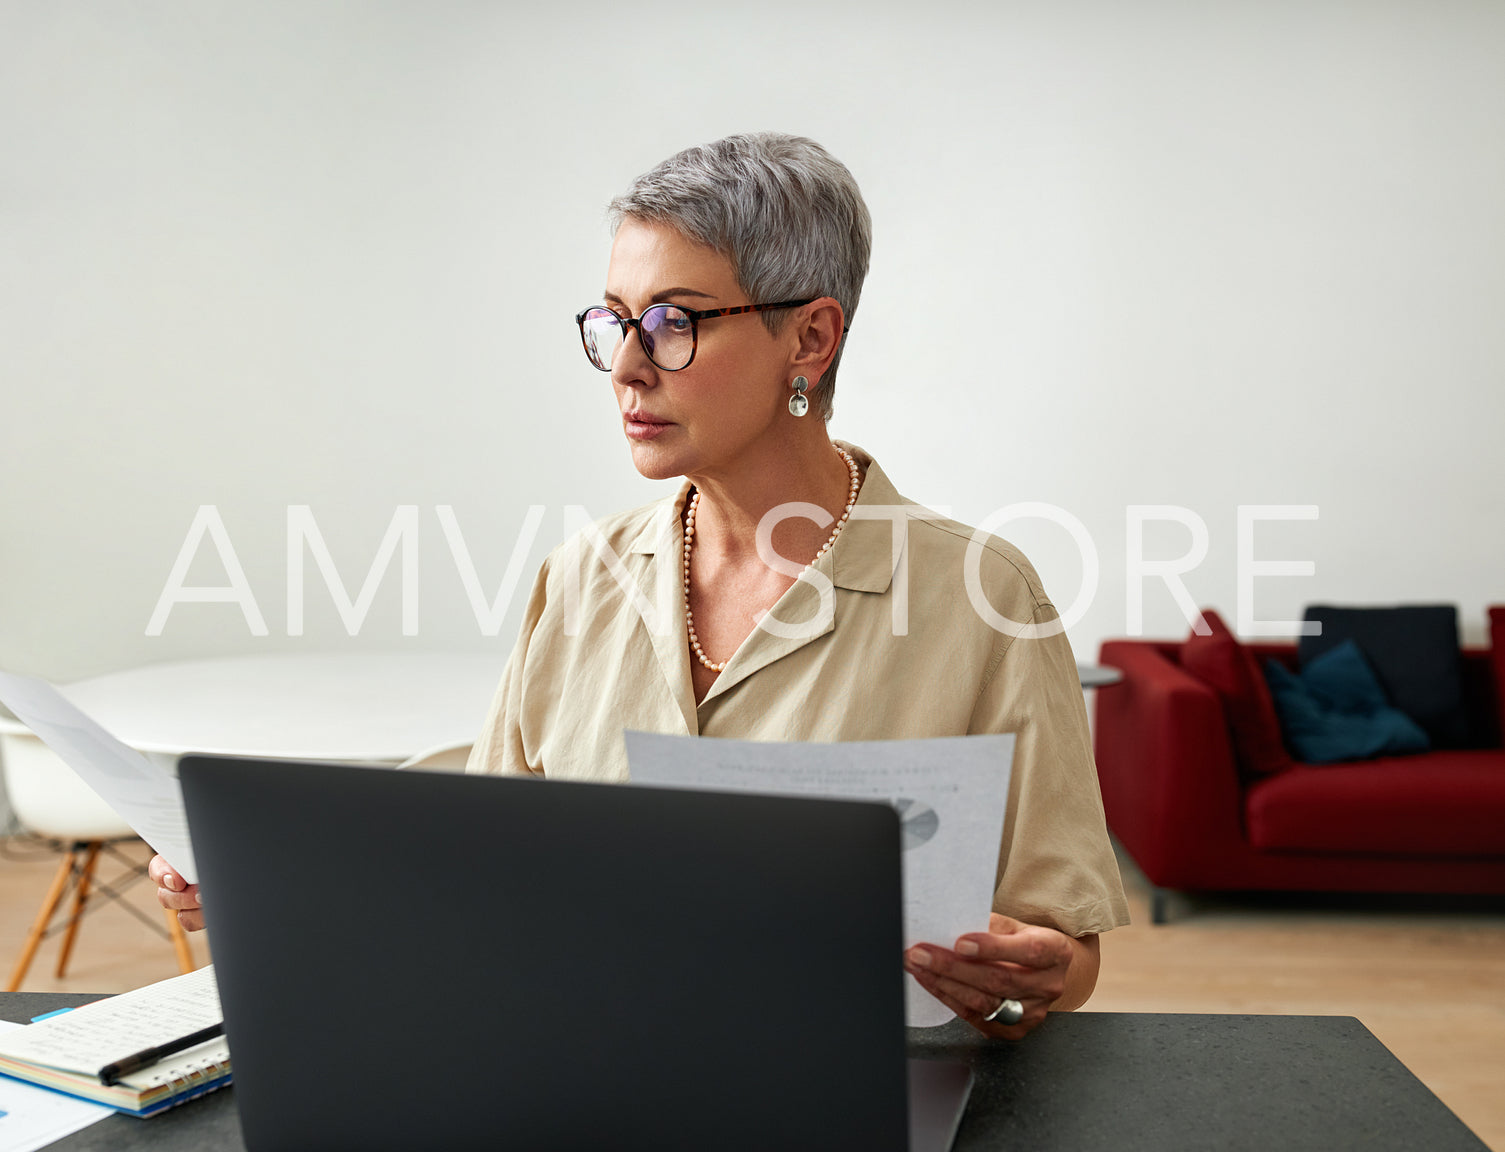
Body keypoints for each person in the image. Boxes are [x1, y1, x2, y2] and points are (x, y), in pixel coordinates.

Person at [154, 132, 1129, 1040]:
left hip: (837, 1105)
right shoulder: (581, 578)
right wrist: (271, 873)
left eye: (672, 324)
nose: (624, 366)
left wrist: (1023, 978)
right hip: (576, 1081)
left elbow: (1060, 947)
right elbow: (484, 860)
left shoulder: (980, 597)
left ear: (809, 339)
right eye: (613, 322)